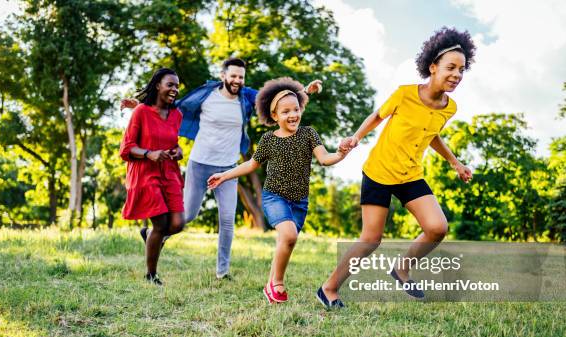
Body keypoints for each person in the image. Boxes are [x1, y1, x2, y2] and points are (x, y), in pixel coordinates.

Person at [317, 27, 476, 307]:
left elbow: (432, 134)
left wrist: (455, 161)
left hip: (410, 175)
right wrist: (355, 137)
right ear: (433, 67)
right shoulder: (404, 94)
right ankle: (328, 288)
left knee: (437, 228)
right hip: (379, 172)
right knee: (371, 239)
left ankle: (401, 268)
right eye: (450, 67)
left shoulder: (449, 108)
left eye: (462, 69)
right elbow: (378, 116)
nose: (456, 75)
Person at [122, 58, 322, 279]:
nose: (237, 80)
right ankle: (154, 235)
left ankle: (222, 271)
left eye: (241, 77)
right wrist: (140, 104)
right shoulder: (206, 94)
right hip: (199, 163)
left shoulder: (246, 98)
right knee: (188, 215)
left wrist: (305, 91)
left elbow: (277, 101)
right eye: (233, 75)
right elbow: (173, 105)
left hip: (228, 167)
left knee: (227, 221)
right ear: (223, 76)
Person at [207, 77, 351, 303]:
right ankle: (278, 283)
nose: (292, 115)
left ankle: (270, 286)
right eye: (285, 112)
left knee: (286, 241)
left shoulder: (308, 134)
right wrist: (224, 175)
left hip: (300, 201)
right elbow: (251, 164)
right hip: (274, 197)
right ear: (275, 116)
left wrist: (341, 154)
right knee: (289, 235)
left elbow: (325, 158)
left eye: (296, 109)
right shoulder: (268, 140)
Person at [119, 68, 185, 285]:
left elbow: (172, 142)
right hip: (146, 173)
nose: (174, 89)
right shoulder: (141, 112)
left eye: (177, 86)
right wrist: (149, 153)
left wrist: (178, 151)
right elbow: (127, 149)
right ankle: (151, 275)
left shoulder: (177, 115)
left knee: (177, 224)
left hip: (169, 172)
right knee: (160, 223)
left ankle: (149, 237)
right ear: (158, 85)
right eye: (170, 84)